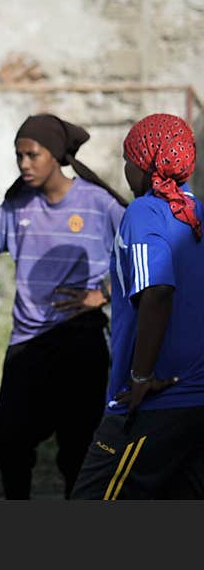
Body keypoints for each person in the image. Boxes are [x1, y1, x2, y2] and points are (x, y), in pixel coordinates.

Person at [0, 113, 128, 499]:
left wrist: (101, 294)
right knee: (9, 441)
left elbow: (143, 255)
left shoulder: (97, 203)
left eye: (32, 155)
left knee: (79, 450)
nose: (24, 164)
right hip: (27, 342)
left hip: (80, 341)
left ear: (55, 155)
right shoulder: (19, 204)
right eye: (19, 156)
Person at [71, 113, 204, 499]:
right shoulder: (197, 213)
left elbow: (158, 290)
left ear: (144, 162)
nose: (125, 168)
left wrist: (142, 376)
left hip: (153, 401)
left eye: (128, 158)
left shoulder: (145, 211)